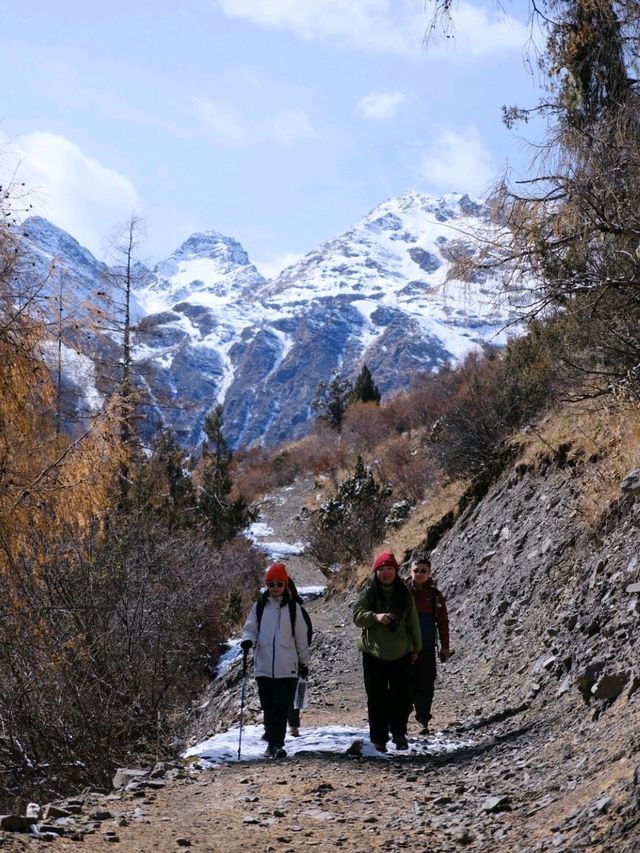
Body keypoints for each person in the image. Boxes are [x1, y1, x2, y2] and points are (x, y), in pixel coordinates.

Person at [352, 551, 422, 753]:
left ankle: (399, 734)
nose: (386, 573)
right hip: (373, 653)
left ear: (396, 570)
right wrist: (375, 617)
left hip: (401, 652)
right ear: (376, 572)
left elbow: (413, 622)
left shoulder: (404, 593)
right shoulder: (368, 593)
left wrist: (416, 648)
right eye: (381, 569)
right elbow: (357, 617)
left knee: (401, 696)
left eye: (390, 568)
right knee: (376, 697)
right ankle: (378, 739)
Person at [241, 562, 310, 759]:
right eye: (271, 584)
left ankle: (276, 744)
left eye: (279, 583)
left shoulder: (294, 609)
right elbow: (250, 628)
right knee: (268, 707)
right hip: (263, 666)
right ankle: (271, 743)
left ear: (286, 584)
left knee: (280, 707)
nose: (275, 588)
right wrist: (247, 641)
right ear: (267, 585)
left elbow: (301, 638)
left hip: (287, 667)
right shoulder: (259, 607)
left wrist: (304, 663)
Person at [406, 554, 450, 736]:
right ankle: (401, 721)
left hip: (427, 649)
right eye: (416, 571)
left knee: (426, 685)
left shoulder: (435, 596)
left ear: (430, 573)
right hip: (404, 649)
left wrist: (445, 647)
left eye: (423, 571)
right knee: (404, 685)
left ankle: (423, 720)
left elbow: (443, 622)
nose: (420, 574)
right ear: (410, 571)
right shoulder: (401, 592)